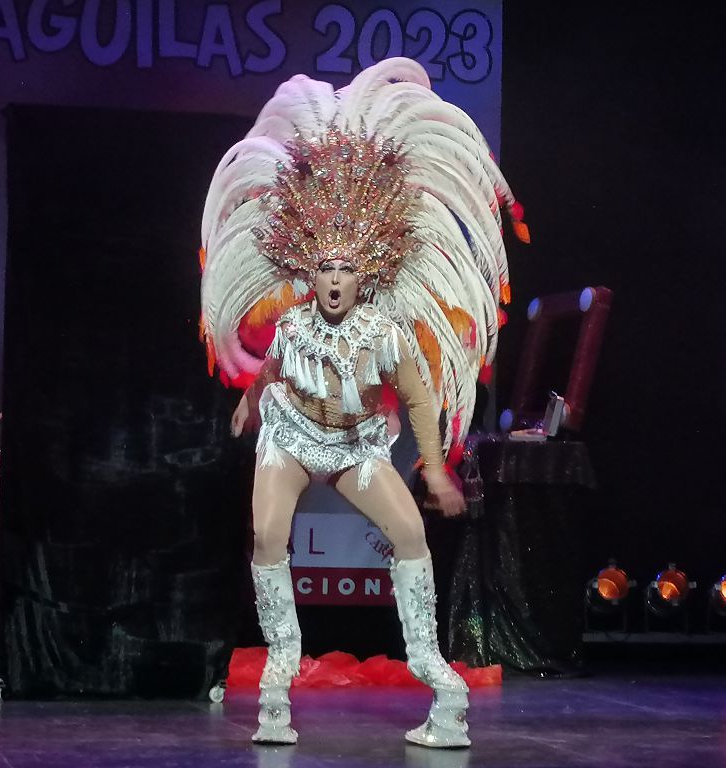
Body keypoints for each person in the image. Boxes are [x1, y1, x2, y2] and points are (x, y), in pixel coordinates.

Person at [200, 57, 525, 749]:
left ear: (367, 269)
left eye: (348, 269)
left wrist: (434, 468)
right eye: (326, 268)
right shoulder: (292, 325)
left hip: (356, 446)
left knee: (409, 537)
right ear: (308, 270)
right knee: (265, 536)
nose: (337, 280)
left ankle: (438, 684)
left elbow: (414, 395)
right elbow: (270, 373)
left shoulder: (385, 331)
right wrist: (249, 404)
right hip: (289, 437)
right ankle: (278, 688)